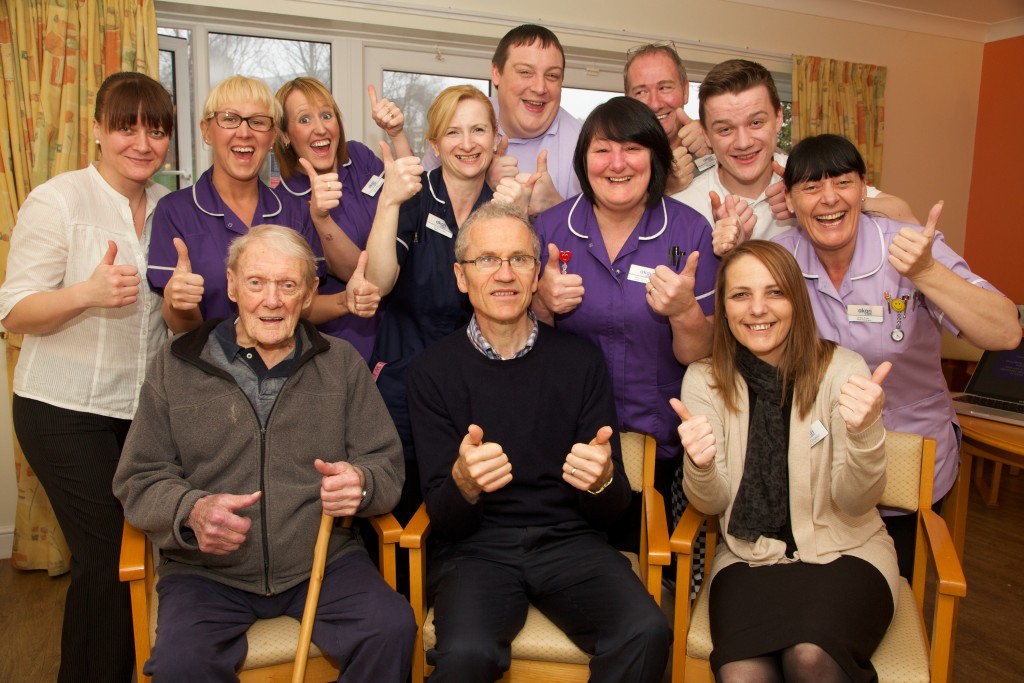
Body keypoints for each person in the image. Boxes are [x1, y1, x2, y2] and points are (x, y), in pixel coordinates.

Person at [113, 225, 415, 682]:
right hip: (207, 573)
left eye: (288, 285)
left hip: (321, 561)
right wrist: (190, 511)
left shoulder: (342, 362)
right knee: (180, 665)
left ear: (310, 293)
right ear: (232, 284)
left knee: (391, 628)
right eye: (256, 283)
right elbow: (138, 477)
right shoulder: (177, 363)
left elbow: (385, 464)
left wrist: (362, 483)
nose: (271, 300)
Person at [407, 202, 671, 682]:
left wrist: (602, 481)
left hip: (570, 543)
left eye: (519, 260)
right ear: (461, 277)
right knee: (466, 653)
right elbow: (443, 516)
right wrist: (463, 483)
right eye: (487, 260)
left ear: (536, 277)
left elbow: (612, 512)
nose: (504, 274)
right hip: (475, 552)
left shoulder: (581, 362)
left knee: (647, 630)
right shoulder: (431, 372)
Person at [773, 133, 1021, 576]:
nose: (829, 198)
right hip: (815, 465)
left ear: (864, 188)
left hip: (904, 459)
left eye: (843, 182)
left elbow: (1005, 331)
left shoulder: (907, 245)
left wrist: (927, 271)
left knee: (891, 587)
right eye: (811, 187)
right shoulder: (782, 258)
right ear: (790, 200)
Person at [0, 72, 174, 682]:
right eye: (126, 127)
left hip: (139, 415)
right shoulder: (59, 199)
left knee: (128, 559)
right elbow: (15, 310)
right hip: (62, 409)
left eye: (156, 130)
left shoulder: (168, 210)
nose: (142, 143)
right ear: (97, 129)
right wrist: (86, 293)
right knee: (106, 557)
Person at [674, 239, 898, 682]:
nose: (758, 309)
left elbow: (856, 502)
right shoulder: (703, 379)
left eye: (774, 292)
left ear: (797, 299)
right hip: (748, 559)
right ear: (723, 306)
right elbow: (712, 503)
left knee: (810, 657)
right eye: (741, 295)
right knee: (741, 673)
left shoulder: (842, 369)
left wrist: (865, 433)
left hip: (847, 553)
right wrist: (699, 466)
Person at [533, 96, 717, 523]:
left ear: (655, 157)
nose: (618, 164)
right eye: (602, 150)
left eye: (632, 148)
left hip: (659, 446)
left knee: (651, 570)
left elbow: (697, 354)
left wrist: (684, 309)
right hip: (566, 443)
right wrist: (543, 303)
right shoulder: (549, 230)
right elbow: (521, 343)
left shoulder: (691, 232)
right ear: (584, 161)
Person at [365, 84, 499, 521]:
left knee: (465, 509)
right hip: (404, 381)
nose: (467, 143)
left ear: (496, 140)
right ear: (434, 143)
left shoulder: (500, 210)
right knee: (401, 515)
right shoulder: (414, 196)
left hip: (476, 387)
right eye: (453, 132)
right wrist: (389, 202)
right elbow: (379, 282)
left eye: (478, 129)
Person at [148, 75, 370, 334]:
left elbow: (304, 308)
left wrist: (346, 300)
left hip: (283, 370)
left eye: (258, 122)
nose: (244, 132)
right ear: (207, 131)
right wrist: (179, 303)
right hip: (208, 369)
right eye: (229, 119)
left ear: (273, 136)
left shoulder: (296, 211)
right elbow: (184, 331)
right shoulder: (175, 211)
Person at [672, 59, 913, 256]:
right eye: (725, 129)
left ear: (778, 119)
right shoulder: (683, 205)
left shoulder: (807, 173)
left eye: (756, 122)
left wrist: (810, 202)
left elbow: (905, 216)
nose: (743, 142)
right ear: (705, 133)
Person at [274, 77, 411, 360]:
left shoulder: (359, 157)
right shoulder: (284, 203)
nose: (320, 128)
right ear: (285, 135)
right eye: (304, 120)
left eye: (327, 115)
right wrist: (321, 218)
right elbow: (359, 276)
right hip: (343, 342)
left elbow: (408, 202)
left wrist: (397, 135)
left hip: (397, 329)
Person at [423, 24, 581, 215]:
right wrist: (479, 178)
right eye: (525, 72)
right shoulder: (464, 115)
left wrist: (555, 206)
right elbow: (425, 207)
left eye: (552, 75)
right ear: (497, 73)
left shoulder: (584, 144)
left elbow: (599, 239)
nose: (540, 87)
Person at [624, 41, 711, 193]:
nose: (655, 104)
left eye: (664, 88)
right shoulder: (618, 161)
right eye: (641, 92)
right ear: (628, 100)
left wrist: (713, 137)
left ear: (685, 91)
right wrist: (665, 189)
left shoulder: (713, 143)